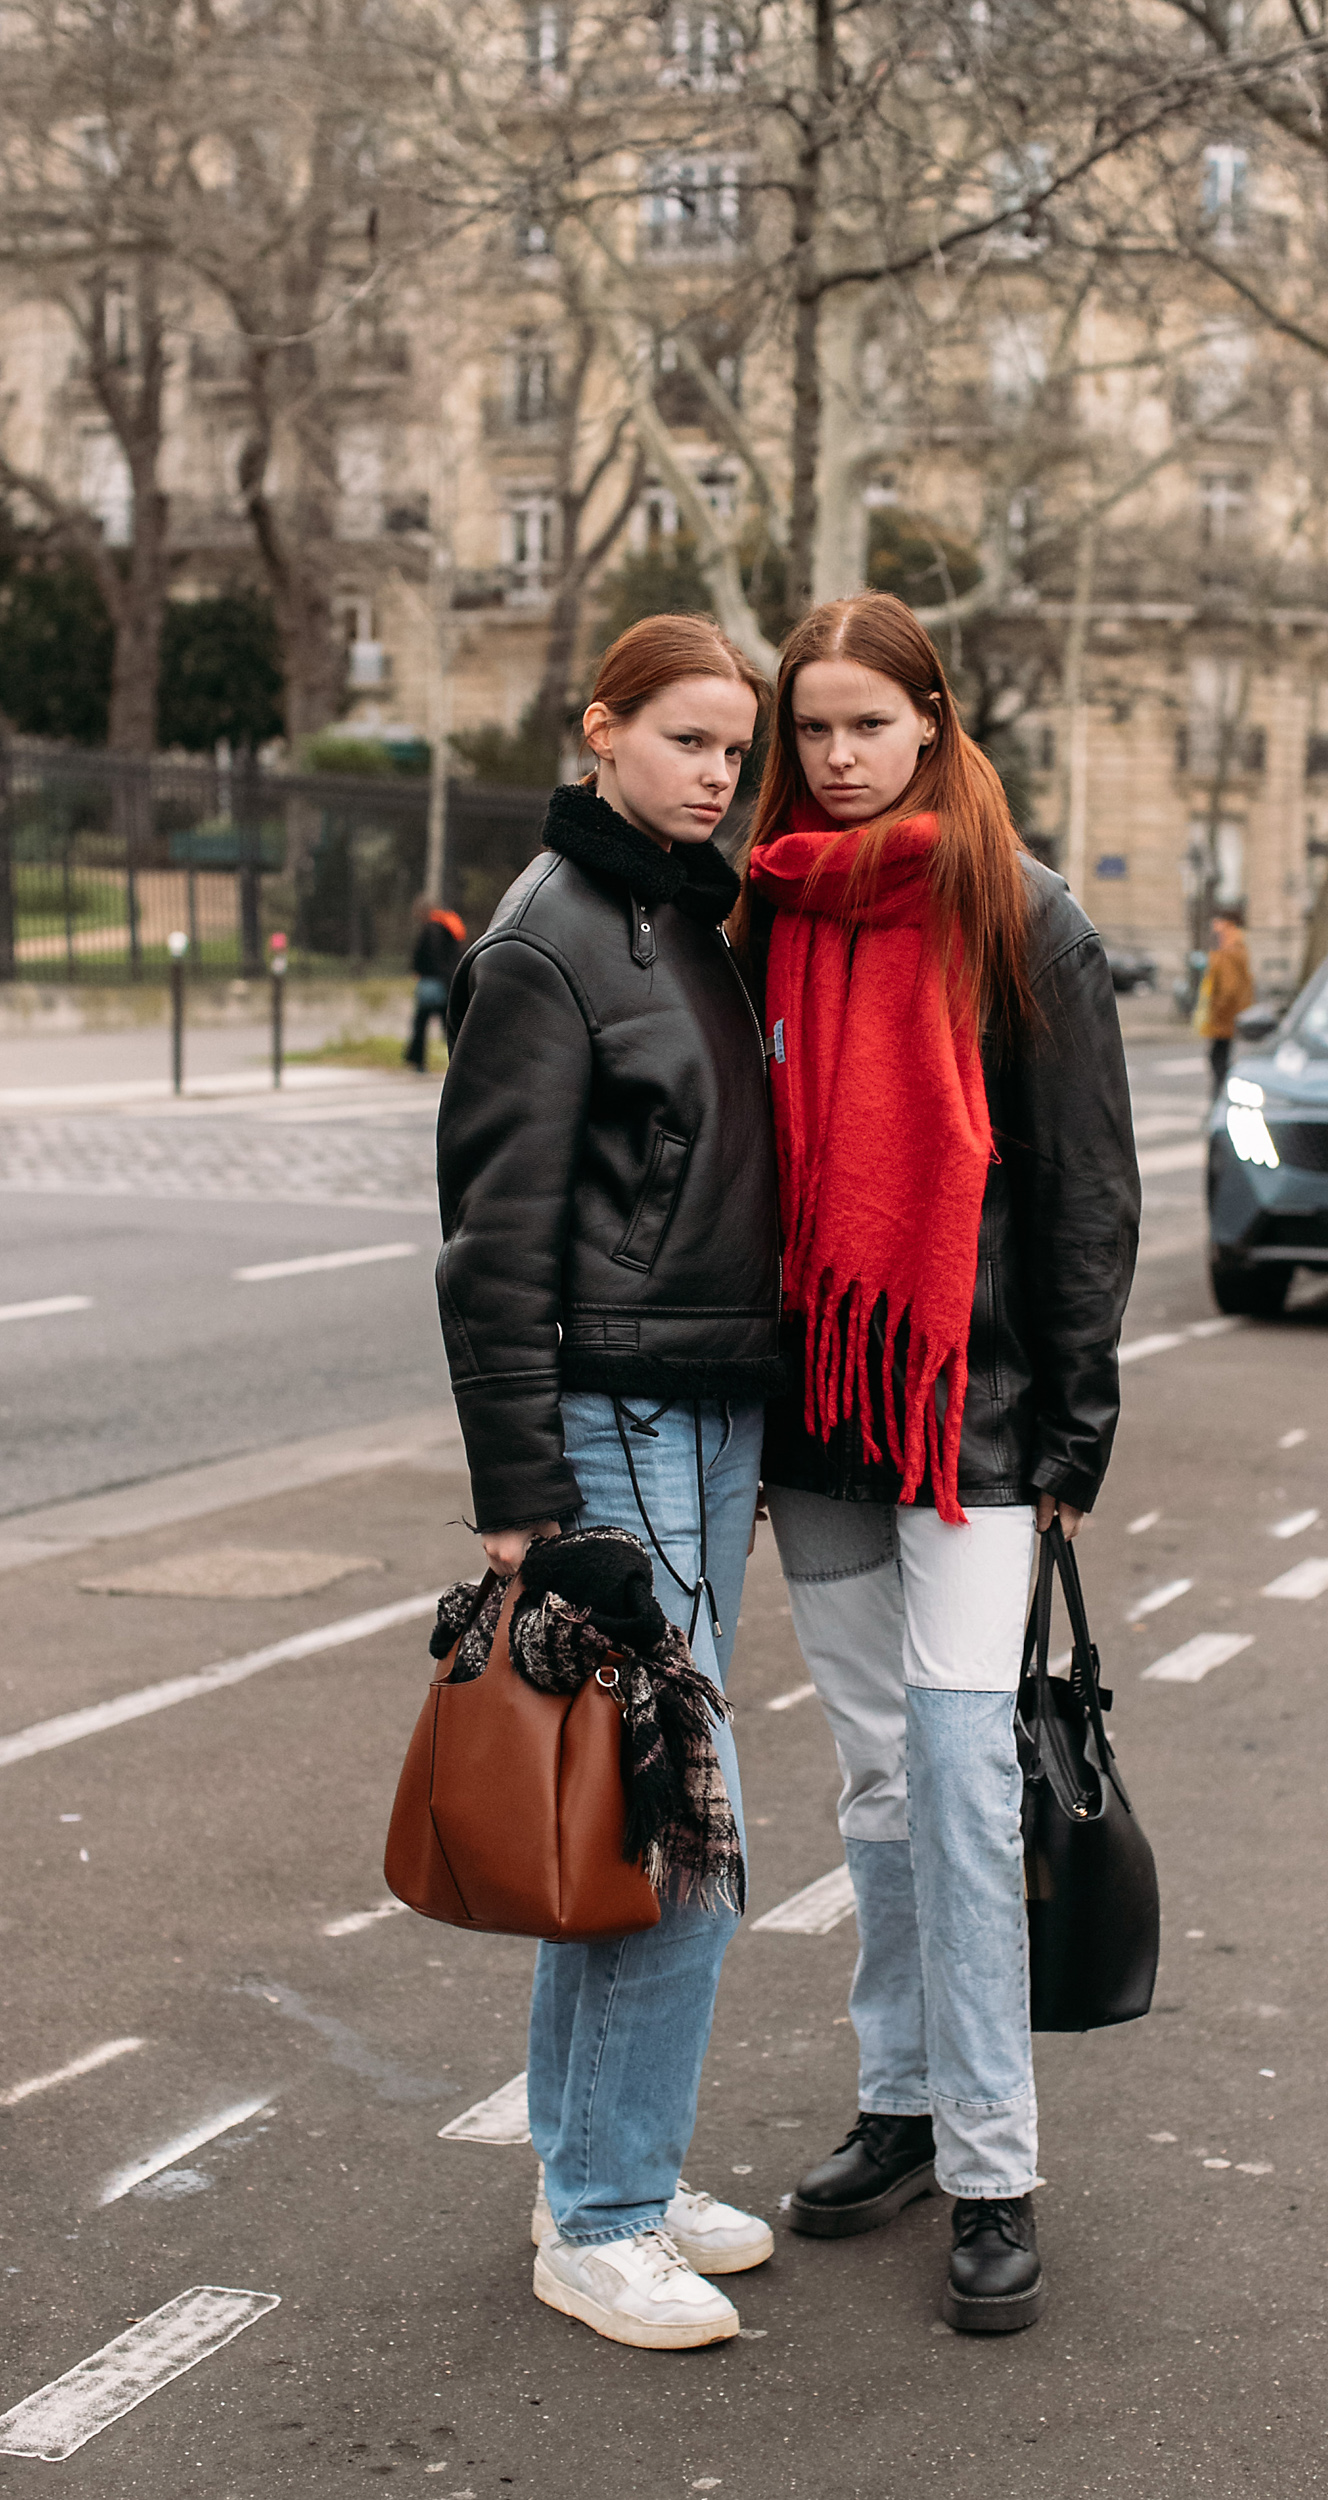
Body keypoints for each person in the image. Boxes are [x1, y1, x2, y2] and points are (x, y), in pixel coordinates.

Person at [734, 591, 1140, 2335]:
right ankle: (896, 2103)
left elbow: (1084, 1190)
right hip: (818, 1412)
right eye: (808, 728)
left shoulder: (1019, 917)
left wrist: (1074, 1431)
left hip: (966, 1420)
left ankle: (991, 2161)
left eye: (864, 725)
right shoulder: (757, 911)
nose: (833, 759)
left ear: (929, 719)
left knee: (967, 1786)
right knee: (882, 1784)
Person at [433, 614, 782, 2352]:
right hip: (612, 1425)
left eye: (735, 747)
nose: (717, 773)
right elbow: (489, 1246)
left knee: (629, 1809)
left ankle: (601, 2163)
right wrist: (525, 1502)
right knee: (682, 1811)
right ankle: (603, 2217)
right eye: (687, 740)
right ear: (600, 732)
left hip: (711, 1414)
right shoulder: (544, 941)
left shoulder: (687, 920)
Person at [404, 898, 467, 1071]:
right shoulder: (450, 926)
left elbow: (427, 955)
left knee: (421, 1023)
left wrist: (420, 970)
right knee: (450, 1025)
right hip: (448, 982)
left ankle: (417, 1061)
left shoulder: (431, 929)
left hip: (433, 982)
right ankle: (460, 1062)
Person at [1201, 903, 1254, 1101]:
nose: (1215, 926)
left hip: (1225, 1017)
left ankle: (1220, 1099)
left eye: (1219, 921)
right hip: (1228, 1015)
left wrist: (1217, 1010)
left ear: (1228, 924)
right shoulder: (1233, 946)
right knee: (1219, 1057)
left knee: (1218, 1058)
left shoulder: (1230, 950)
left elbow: (1229, 987)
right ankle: (1220, 1097)